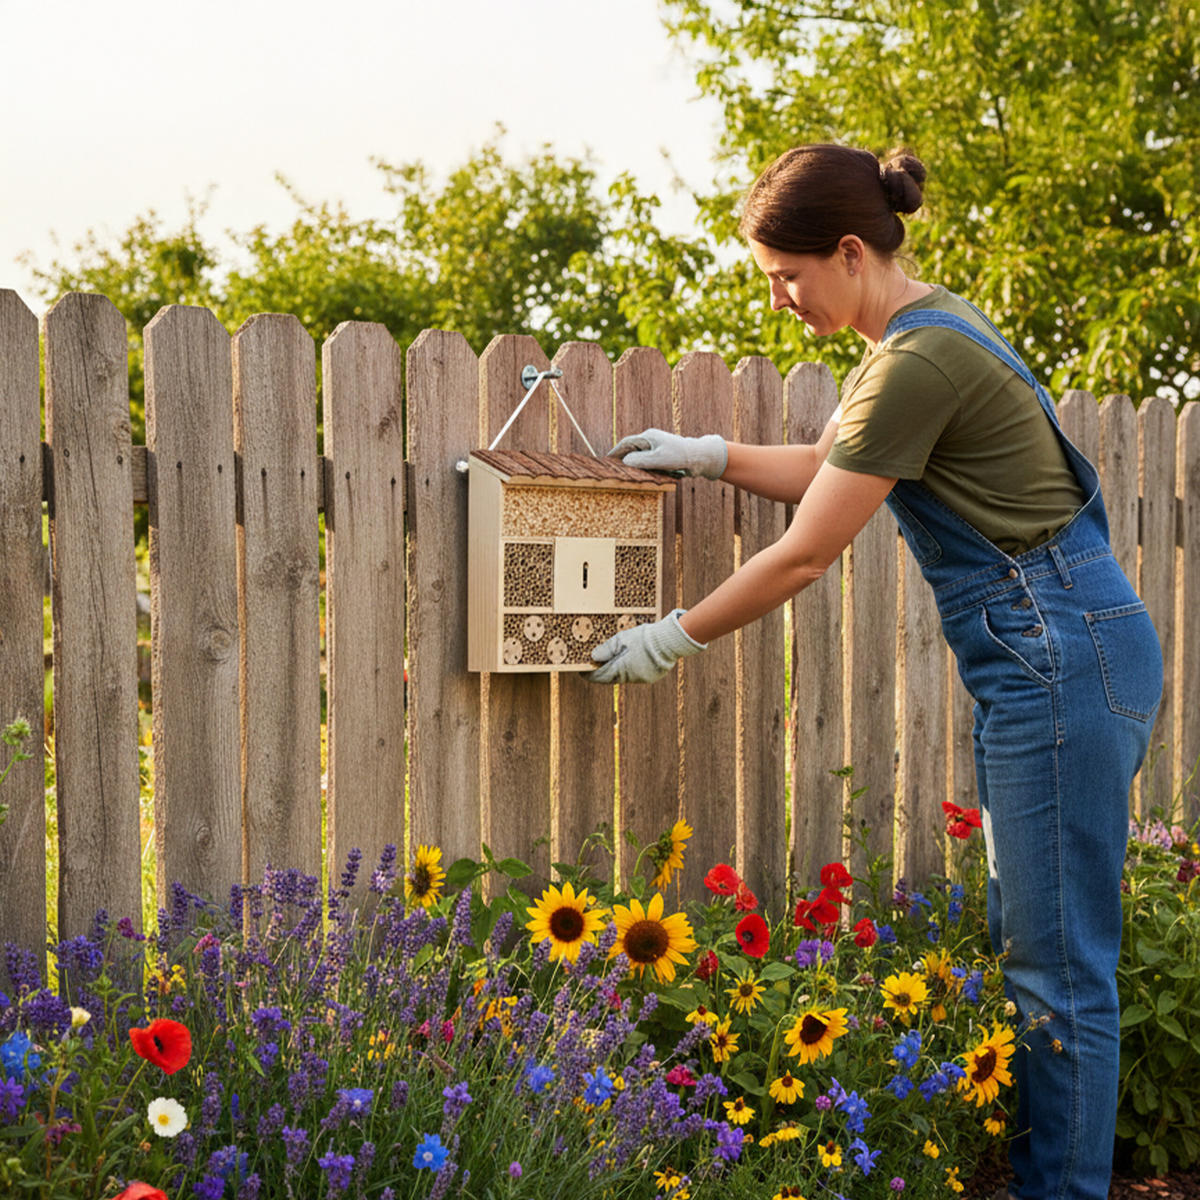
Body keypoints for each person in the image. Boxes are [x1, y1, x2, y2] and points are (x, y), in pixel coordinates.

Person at [587, 143, 1163, 1200]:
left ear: (849, 250)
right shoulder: (927, 337)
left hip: (1059, 655)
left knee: (1058, 963)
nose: (780, 298)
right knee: (1031, 941)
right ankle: (1048, 1176)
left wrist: (674, 636)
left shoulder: (915, 359)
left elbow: (809, 548)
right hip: (1060, 648)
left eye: (787, 274)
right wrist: (713, 455)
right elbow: (838, 467)